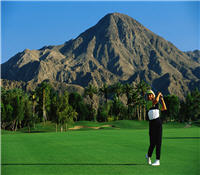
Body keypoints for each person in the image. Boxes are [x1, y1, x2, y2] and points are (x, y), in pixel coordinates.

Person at [145, 90, 167, 166]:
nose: (149, 96)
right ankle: (148, 156)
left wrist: (162, 99)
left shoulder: (157, 103)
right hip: (152, 124)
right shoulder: (148, 103)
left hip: (158, 123)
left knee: (158, 142)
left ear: (153, 95)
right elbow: (155, 101)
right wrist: (158, 95)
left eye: (150, 95)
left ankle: (157, 160)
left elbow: (164, 108)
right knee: (152, 143)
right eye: (148, 95)